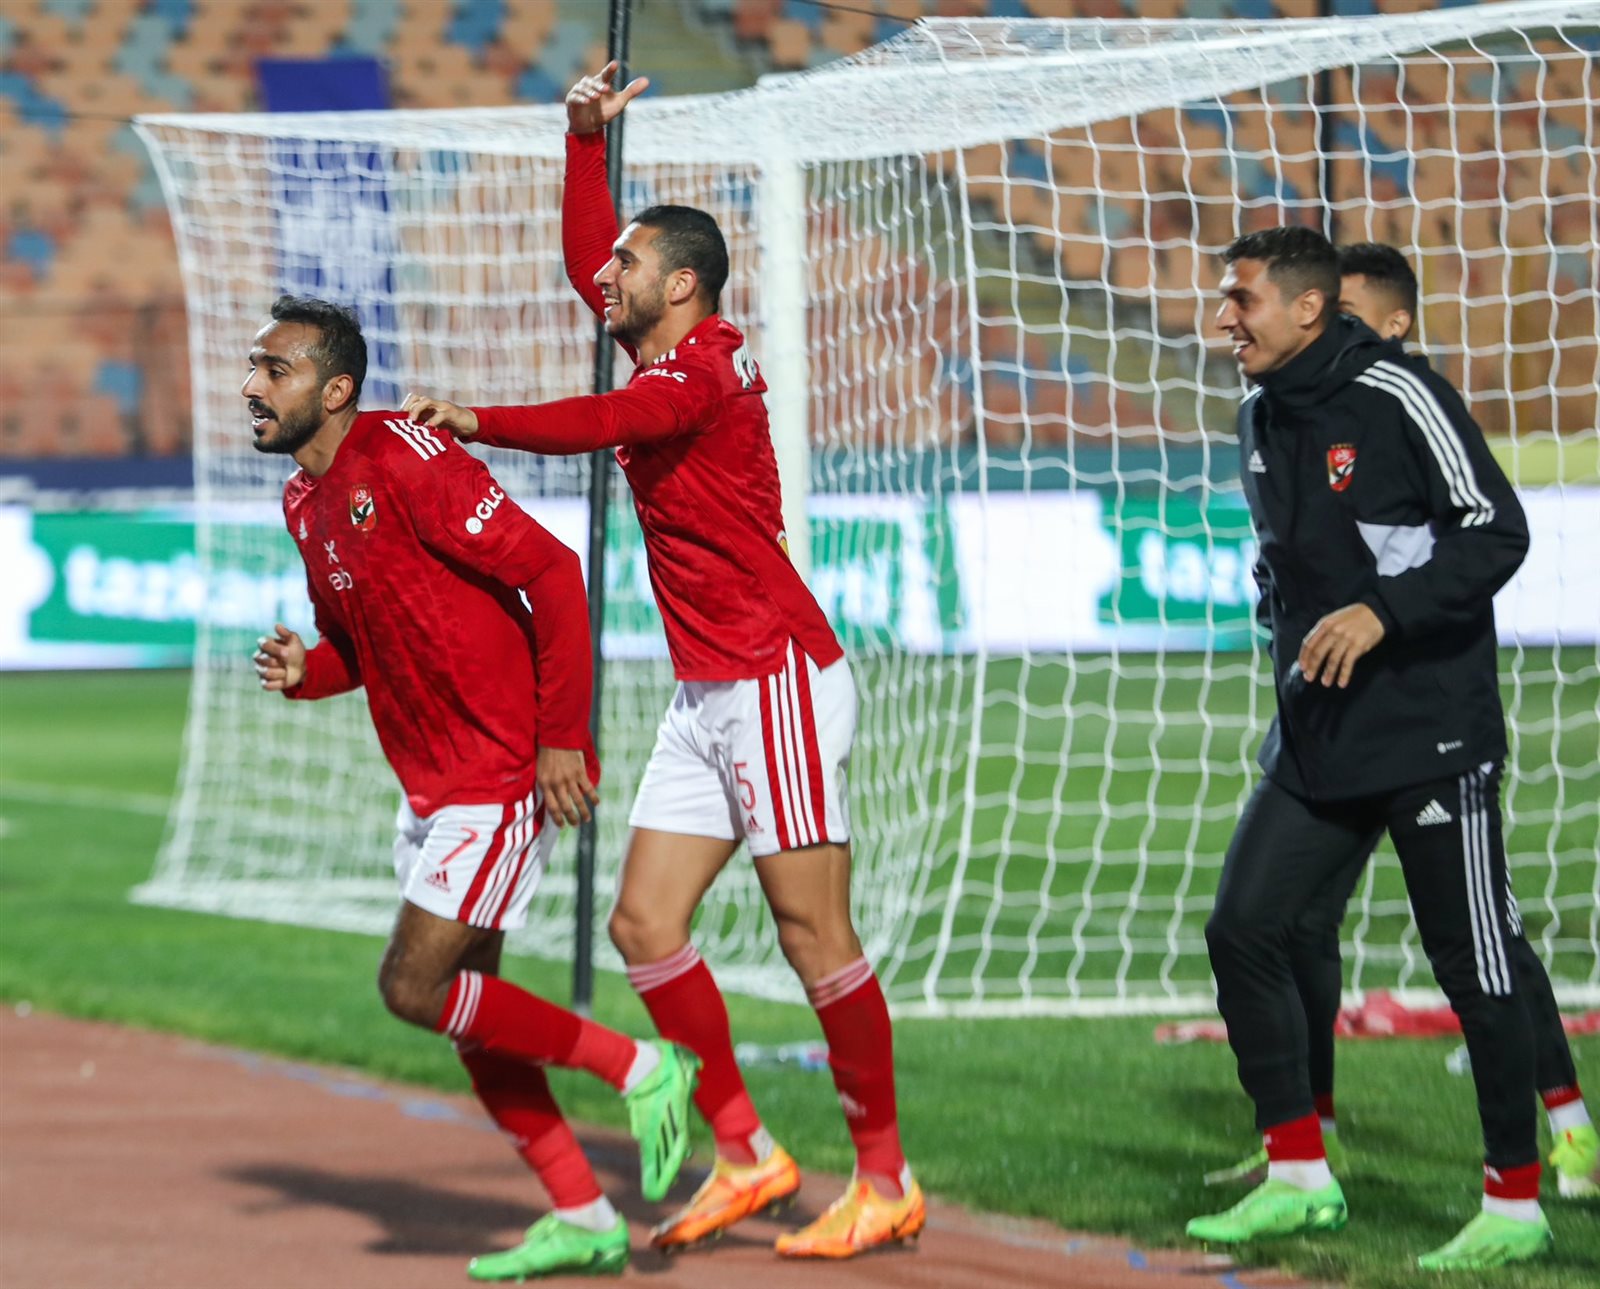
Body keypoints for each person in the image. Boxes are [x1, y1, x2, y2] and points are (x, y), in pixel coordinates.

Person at [401, 62, 923, 1261]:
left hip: (775, 675)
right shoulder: (665, 347)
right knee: (643, 923)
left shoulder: (708, 365)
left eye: (627, 266)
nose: (605, 277)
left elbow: (609, 424)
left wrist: (482, 418)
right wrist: (583, 142)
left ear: (680, 284)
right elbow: (592, 260)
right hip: (710, 687)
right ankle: (748, 1152)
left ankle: (885, 1177)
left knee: (811, 932)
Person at [244, 294, 700, 1282]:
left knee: (413, 986)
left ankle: (642, 1065)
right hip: (431, 783)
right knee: (471, 1008)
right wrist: (309, 670)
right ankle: (584, 1211)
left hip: (498, 771)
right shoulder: (303, 503)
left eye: (274, 370)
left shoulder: (406, 455)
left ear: (336, 389)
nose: (252, 386)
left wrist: (561, 739)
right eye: (254, 368)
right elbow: (356, 645)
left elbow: (554, 570)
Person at [1187, 226, 1553, 1270]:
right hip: (1319, 736)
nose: (1224, 319)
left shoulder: (1400, 394)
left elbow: (1496, 530)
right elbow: (1295, 562)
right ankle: (1299, 1173)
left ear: (1307, 308)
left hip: (1430, 728)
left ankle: (1516, 1199)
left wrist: (1382, 612)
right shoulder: (1261, 416)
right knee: (1244, 926)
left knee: (1473, 962)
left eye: (1241, 299)